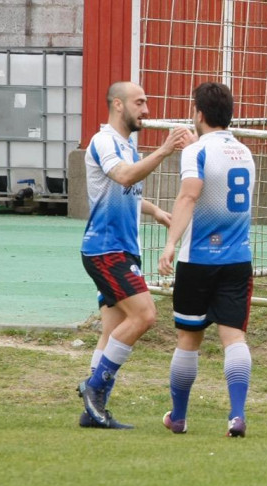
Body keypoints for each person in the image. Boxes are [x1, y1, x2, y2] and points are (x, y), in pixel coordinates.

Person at [77, 81, 189, 429]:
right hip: (106, 250)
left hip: (121, 250)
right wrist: (165, 150)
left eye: (147, 102)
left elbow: (125, 192)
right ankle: (93, 390)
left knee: (112, 331)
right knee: (144, 316)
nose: (147, 110)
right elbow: (123, 176)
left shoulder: (126, 145)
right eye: (140, 102)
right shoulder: (104, 141)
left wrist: (155, 212)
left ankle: (93, 413)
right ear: (117, 105)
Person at [157, 82, 256, 438]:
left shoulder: (196, 151)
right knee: (234, 338)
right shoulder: (245, 153)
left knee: (188, 339)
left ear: (198, 113)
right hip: (238, 259)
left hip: (198, 259)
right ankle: (237, 414)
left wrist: (170, 243)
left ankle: (179, 417)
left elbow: (189, 196)